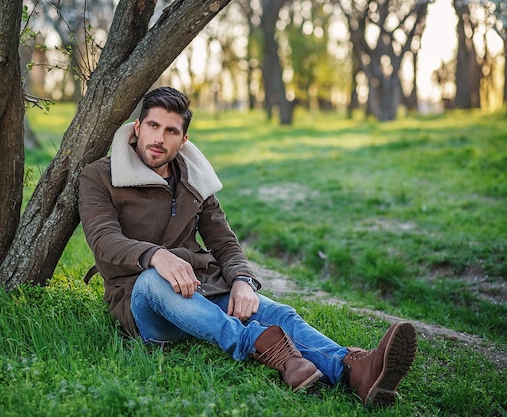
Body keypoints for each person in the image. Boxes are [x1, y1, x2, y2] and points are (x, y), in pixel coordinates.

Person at [78, 86, 417, 407]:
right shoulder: (100, 176)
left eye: (171, 131)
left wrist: (242, 280)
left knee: (278, 312)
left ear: (183, 140)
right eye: (153, 125)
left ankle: (355, 371)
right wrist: (156, 256)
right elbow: (103, 239)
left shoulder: (195, 179)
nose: (159, 138)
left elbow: (224, 240)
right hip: (143, 302)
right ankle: (258, 344)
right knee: (154, 281)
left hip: (204, 287)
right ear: (137, 127)